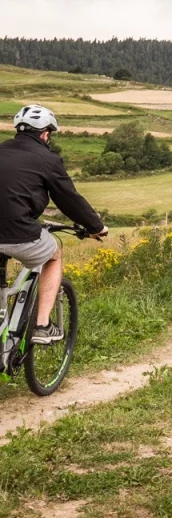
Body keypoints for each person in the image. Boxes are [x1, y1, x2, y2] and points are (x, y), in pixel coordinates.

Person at [0, 105, 108, 344]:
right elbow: (69, 199)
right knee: (54, 253)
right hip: (18, 232)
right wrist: (95, 226)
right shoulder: (47, 159)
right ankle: (42, 325)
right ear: (45, 134)